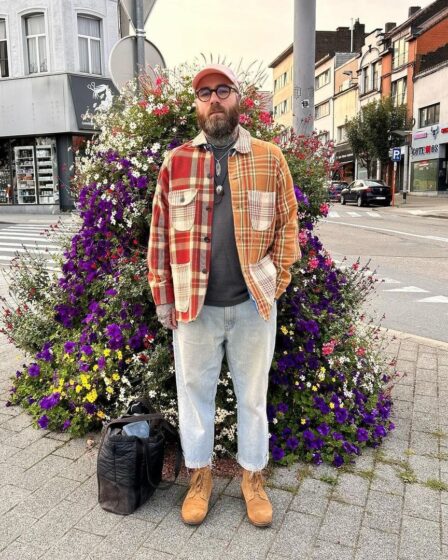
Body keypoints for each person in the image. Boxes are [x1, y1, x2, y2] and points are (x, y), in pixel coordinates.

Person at [147, 64, 300, 527]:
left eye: (223, 91)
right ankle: (201, 479)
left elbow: (288, 224)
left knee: (252, 396)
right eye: (204, 93)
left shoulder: (269, 157)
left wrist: (279, 281)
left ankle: (253, 478)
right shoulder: (176, 163)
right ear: (197, 105)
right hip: (196, 310)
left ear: (238, 99)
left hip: (254, 305)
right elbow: (159, 235)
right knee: (195, 396)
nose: (214, 99)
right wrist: (164, 298)